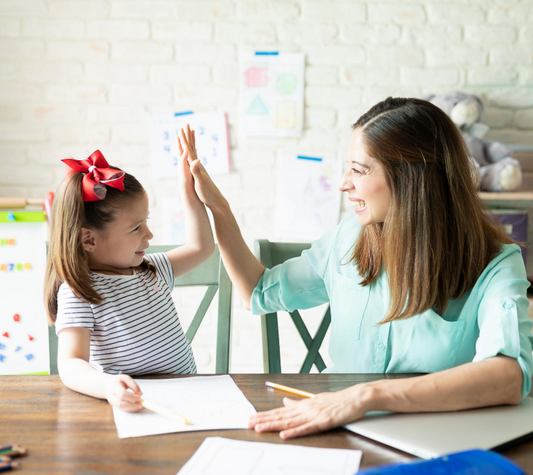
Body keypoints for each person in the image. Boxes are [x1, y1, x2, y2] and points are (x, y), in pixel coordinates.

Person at [179, 97, 533, 439]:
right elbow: (257, 292)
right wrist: (219, 209)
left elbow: (509, 374)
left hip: (438, 442)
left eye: (359, 170)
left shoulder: (495, 264)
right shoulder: (349, 237)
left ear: (412, 178)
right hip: (335, 428)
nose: (343, 183)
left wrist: (367, 396)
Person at [44, 127, 214, 412]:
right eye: (136, 227)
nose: (149, 235)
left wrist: (189, 188)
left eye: (145, 221)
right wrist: (107, 386)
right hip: (138, 407)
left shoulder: (152, 270)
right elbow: (71, 365)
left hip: (189, 396)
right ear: (89, 239)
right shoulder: (79, 292)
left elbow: (202, 247)